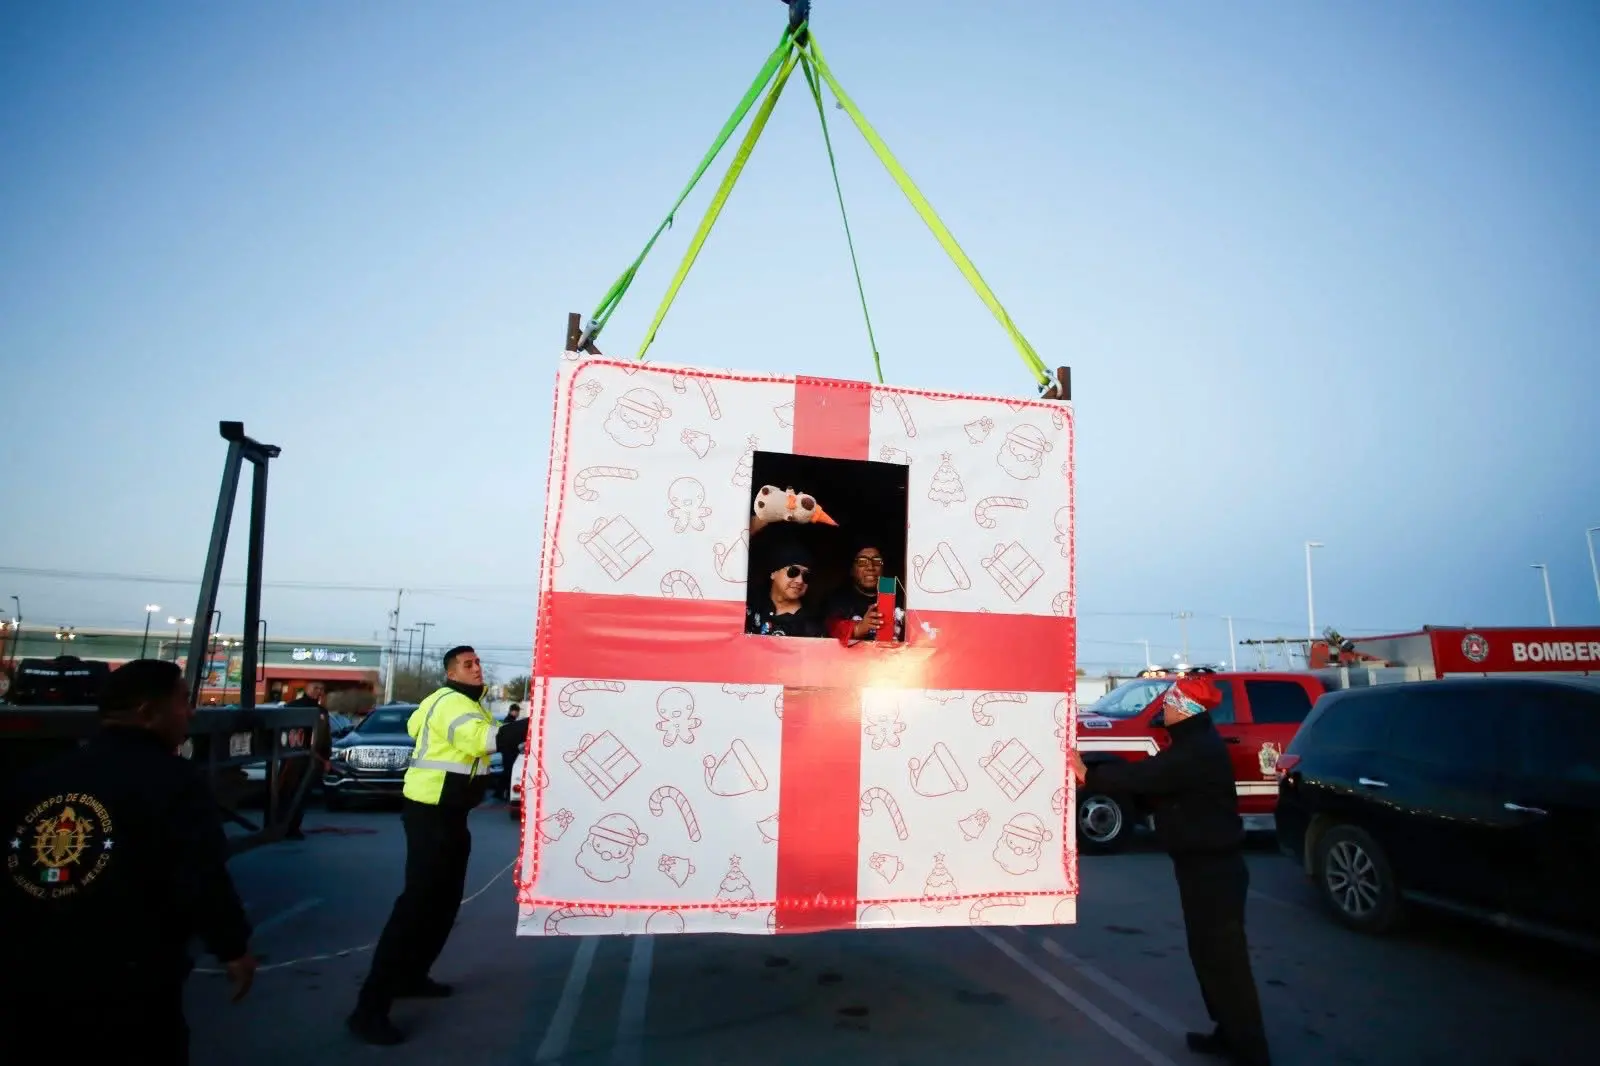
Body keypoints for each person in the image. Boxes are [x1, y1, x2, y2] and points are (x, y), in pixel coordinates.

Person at [0, 659, 257, 1064]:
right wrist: (232, 946)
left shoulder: (42, 778)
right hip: (129, 978)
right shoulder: (173, 781)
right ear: (148, 712)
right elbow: (200, 874)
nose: (191, 713)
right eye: (182, 702)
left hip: (33, 971)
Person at [1070, 677, 1271, 1066]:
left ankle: (1251, 1050)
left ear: (1186, 710)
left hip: (1215, 869)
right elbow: (1154, 784)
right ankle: (1227, 1032)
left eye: (1171, 701)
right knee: (1207, 955)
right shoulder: (1189, 744)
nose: (1165, 705)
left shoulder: (1195, 751)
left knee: (1225, 959)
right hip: (1199, 864)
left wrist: (1089, 774)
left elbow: (1145, 776)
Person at [348, 645, 500, 1045]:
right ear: (451, 673)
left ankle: (412, 976)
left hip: (450, 815)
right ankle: (368, 1010)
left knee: (443, 904)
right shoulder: (451, 703)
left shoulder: (468, 703)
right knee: (416, 907)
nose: (477, 668)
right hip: (431, 815)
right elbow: (485, 741)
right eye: (468, 664)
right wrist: (537, 722)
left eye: (478, 662)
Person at [823, 537, 906, 643]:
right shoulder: (837, 599)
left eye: (877, 561)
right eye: (862, 561)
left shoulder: (900, 597)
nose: (870, 567)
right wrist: (858, 628)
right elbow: (831, 625)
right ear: (852, 570)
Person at [280, 681, 332, 839]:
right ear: (307, 689)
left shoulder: (322, 711)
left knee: (303, 795)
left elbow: (326, 738)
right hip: (293, 759)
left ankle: (294, 827)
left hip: (314, 760)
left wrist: (326, 759)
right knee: (288, 793)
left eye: (321, 689)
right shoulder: (292, 707)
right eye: (315, 688)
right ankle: (283, 827)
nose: (319, 691)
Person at [744, 539, 826, 638]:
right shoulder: (750, 601)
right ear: (773, 573)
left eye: (806, 576)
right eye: (793, 572)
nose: (800, 581)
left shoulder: (811, 627)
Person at [495, 703, 528, 801]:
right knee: (508, 772)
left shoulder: (511, 721)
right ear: (512, 711)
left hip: (508, 750)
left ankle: (501, 792)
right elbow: (509, 737)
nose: (518, 713)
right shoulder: (508, 722)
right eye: (517, 711)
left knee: (507, 772)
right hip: (508, 750)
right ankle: (502, 793)